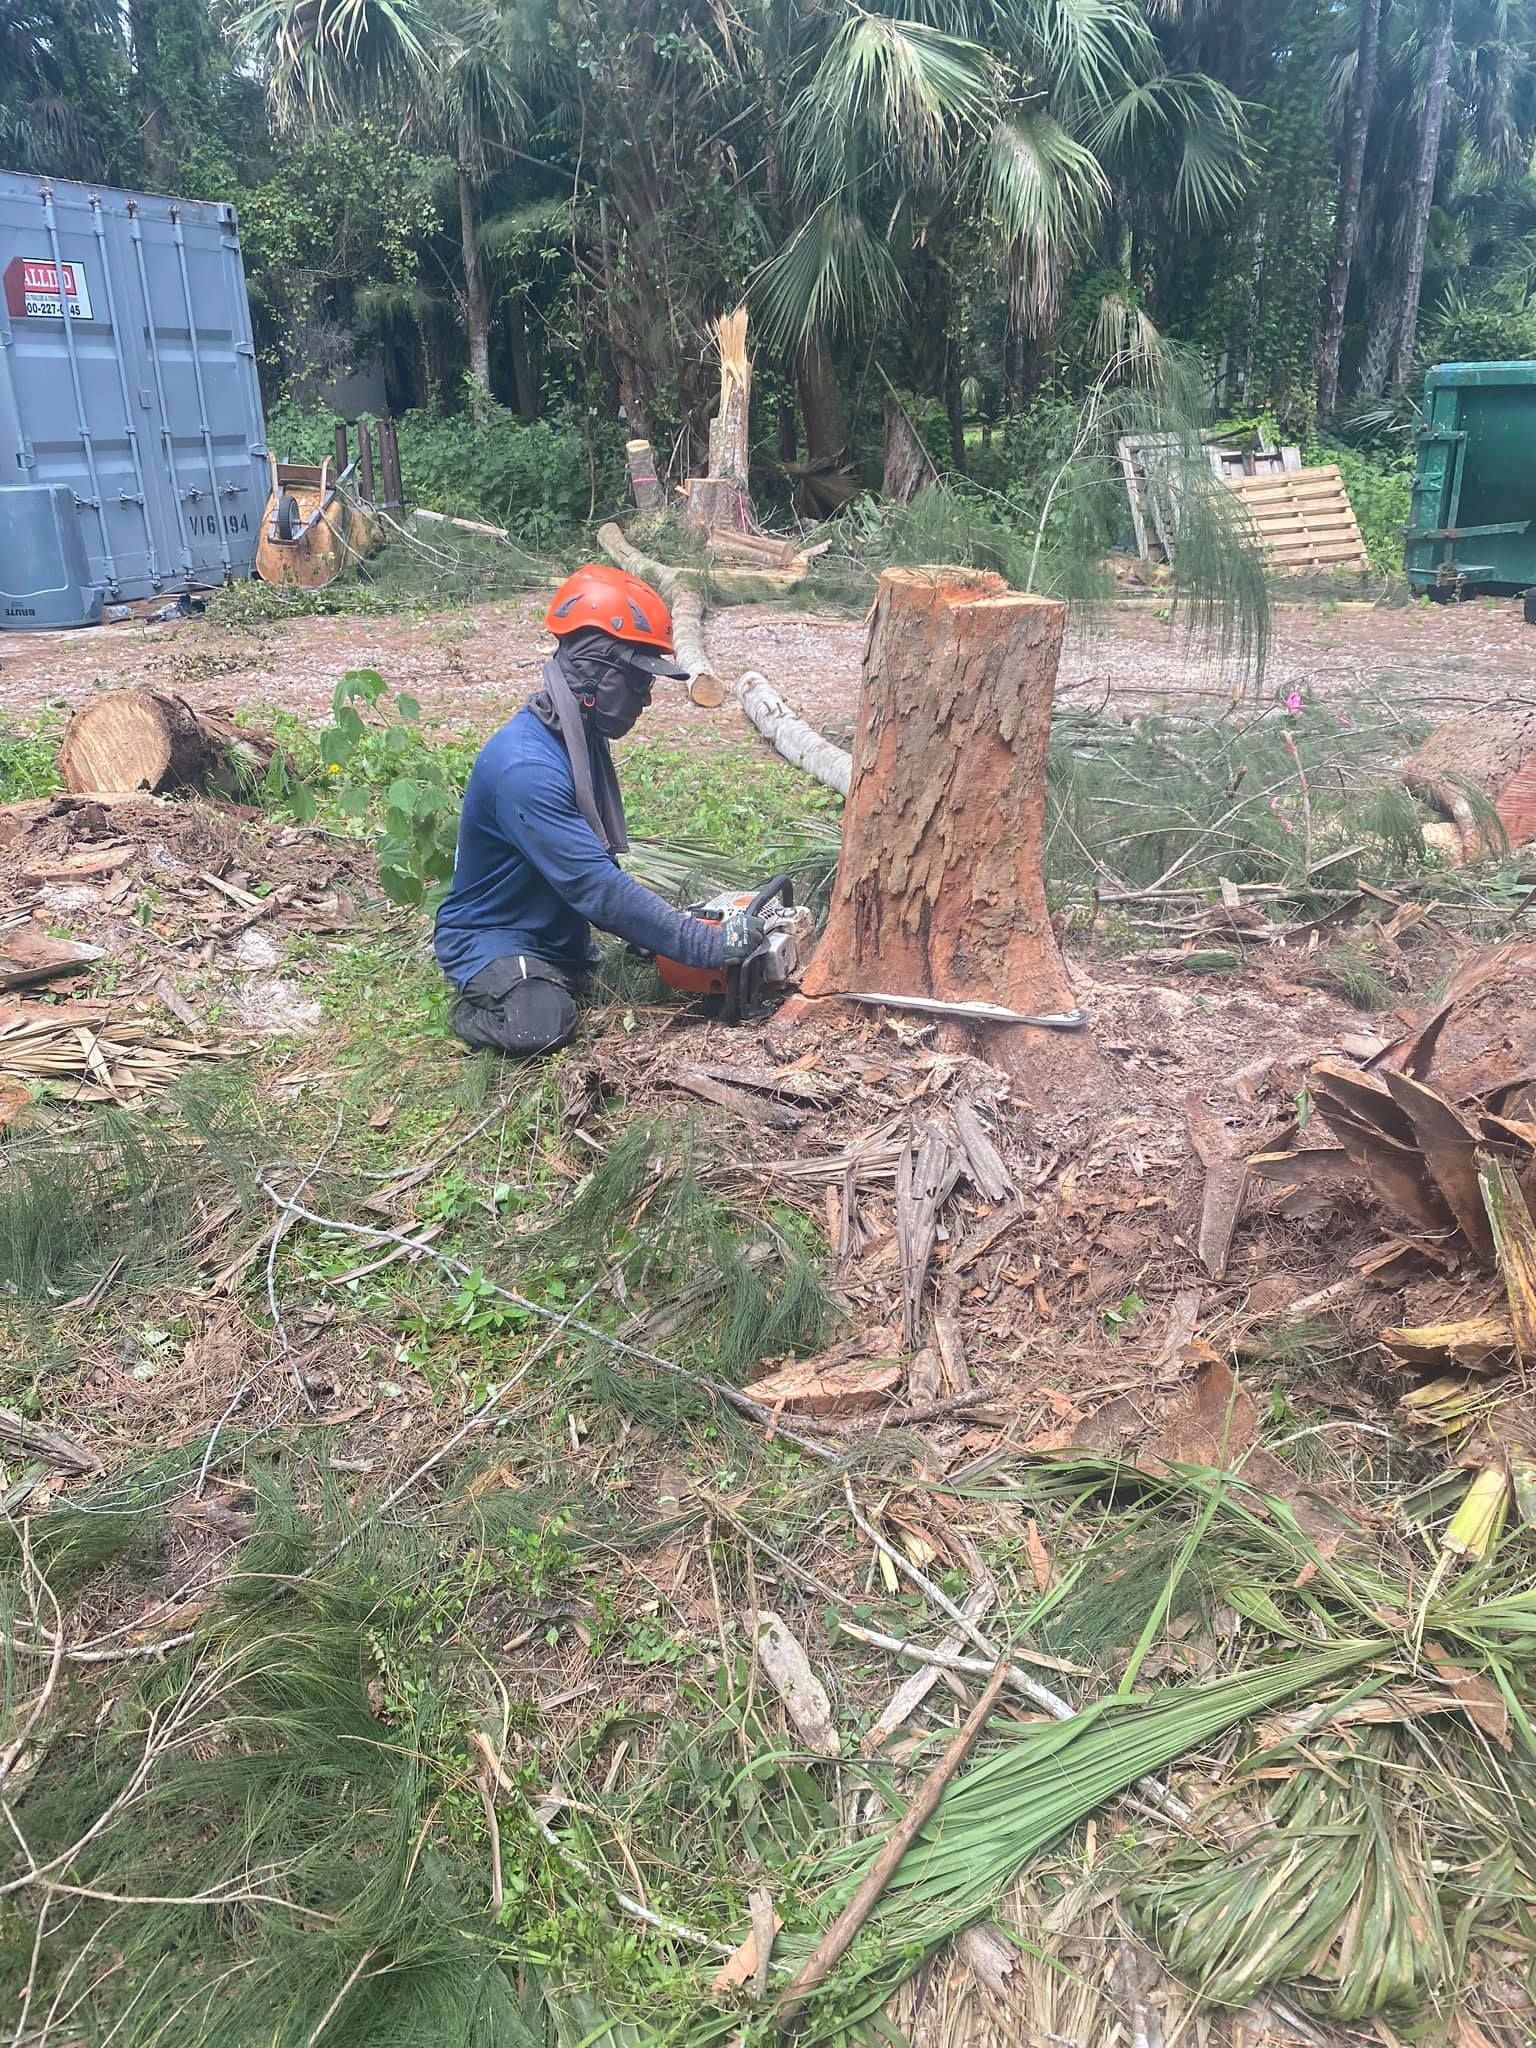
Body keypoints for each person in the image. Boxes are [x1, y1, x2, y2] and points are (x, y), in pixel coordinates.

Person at [433, 564, 764, 1056]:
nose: (647, 699)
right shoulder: (526, 768)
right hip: (496, 936)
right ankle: (471, 1008)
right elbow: (594, 886)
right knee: (542, 1024)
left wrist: (660, 932)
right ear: (595, 673)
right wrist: (703, 945)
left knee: (572, 983)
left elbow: (594, 861)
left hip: (552, 931)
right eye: (638, 682)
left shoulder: (573, 734)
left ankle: (558, 966)